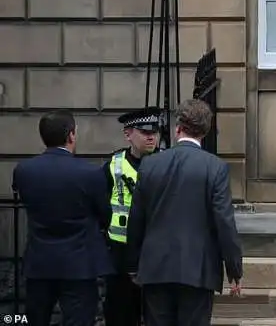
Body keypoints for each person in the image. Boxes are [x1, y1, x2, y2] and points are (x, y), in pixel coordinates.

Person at [126, 98, 243, 326]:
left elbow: (136, 219)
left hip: (155, 267)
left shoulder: (150, 164)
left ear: (178, 127)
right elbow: (224, 222)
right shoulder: (215, 167)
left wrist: (133, 264)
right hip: (197, 270)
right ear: (205, 131)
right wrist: (234, 269)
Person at [12, 110, 113, 326]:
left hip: (39, 263)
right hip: (79, 265)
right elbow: (106, 215)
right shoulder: (90, 173)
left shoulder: (24, 170)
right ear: (71, 135)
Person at [102, 107, 161, 326]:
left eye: (155, 132)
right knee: (121, 313)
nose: (151, 137)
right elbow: (101, 204)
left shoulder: (167, 162)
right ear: (128, 134)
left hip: (155, 247)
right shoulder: (113, 165)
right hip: (120, 251)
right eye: (145, 132)